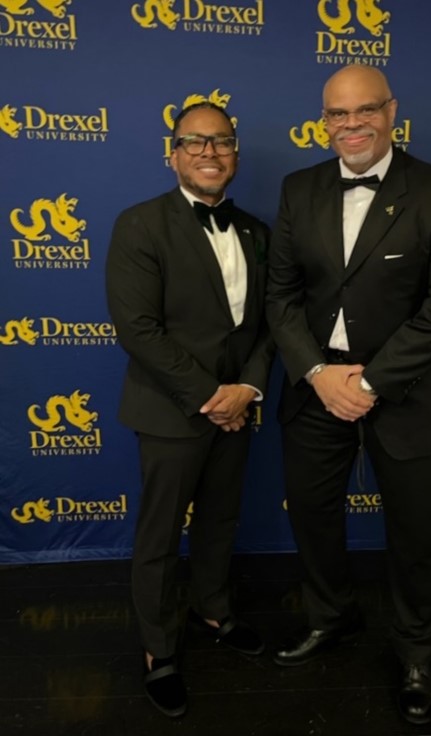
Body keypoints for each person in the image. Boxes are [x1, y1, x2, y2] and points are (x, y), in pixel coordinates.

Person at [266, 66, 431, 725]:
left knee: (417, 531)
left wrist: (370, 381)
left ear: (392, 111)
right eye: (338, 114)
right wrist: (315, 371)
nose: (351, 124)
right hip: (314, 385)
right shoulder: (298, 188)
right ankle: (332, 616)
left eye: (365, 110)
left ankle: (418, 650)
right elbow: (281, 298)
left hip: (404, 388)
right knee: (312, 513)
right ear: (323, 119)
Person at [106, 101, 273, 719]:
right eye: (194, 142)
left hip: (237, 410)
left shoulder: (258, 232)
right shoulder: (140, 225)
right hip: (173, 410)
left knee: (220, 520)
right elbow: (139, 329)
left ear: (235, 153)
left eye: (222, 142)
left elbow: (268, 327)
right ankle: (158, 648)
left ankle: (213, 609)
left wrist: (246, 391)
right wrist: (211, 397)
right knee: (159, 534)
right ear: (172, 152)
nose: (209, 152)